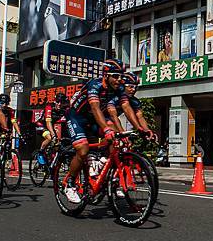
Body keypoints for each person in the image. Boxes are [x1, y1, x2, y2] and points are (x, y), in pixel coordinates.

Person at [64, 58, 126, 203]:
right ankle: (70, 184)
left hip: (94, 119)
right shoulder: (95, 85)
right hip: (77, 117)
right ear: (106, 75)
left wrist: (139, 129)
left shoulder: (119, 88)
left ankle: (102, 162)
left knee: (117, 139)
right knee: (83, 149)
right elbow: (95, 107)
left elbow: (127, 108)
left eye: (121, 76)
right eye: (115, 76)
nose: (119, 80)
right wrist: (105, 129)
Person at [105, 72, 156, 140]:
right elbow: (113, 116)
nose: (134, 90)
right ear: (122, 86)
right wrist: (122, 132)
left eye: (136, 87)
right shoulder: (114, 97)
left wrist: (146, 131)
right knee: (112, 129)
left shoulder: (134, 101)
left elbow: (140, 116)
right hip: (101, 120)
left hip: (110, 120)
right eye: (131, 87)